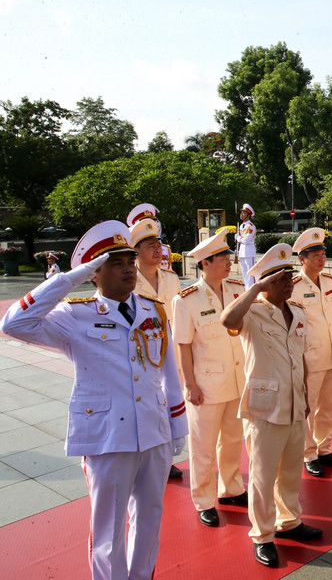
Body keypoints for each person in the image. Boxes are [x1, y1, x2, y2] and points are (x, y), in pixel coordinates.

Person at [1, 220, 187, 580]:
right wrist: (69, 278)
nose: (129, 269)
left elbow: (169, 372)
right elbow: (14, 323)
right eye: (116, 264)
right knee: (108, 531)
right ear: (94, 273)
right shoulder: (76, 315)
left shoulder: (154, 310)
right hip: (107, 438)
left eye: (130, 261)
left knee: (149, 517)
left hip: (153, 430)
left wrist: (177, 425)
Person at [221, 243, 323, 567]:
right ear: (265, 282)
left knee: (291, 469)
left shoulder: (298, 311)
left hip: (294, 402)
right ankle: (263, 535)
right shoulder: (251, 311)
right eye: (280, 279)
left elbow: (300, 356)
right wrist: (255, 290)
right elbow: (227, 319)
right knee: (263, 476)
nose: (289, 282)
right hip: (265, 406)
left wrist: (306, 395)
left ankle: (289, 521)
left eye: (290, 276)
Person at [170, 229, 247, 528]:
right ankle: (204, 499)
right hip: (206, 384)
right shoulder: (185, 300)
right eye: (223, 258)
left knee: (231, 440)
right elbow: (183, 344)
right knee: (203, 447)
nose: (229, 262)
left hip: (236, 380)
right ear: (205, 263)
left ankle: (231, 489)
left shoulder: (238, 289)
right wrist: (190, 384)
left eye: (229, 256)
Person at [291, 228, 332, 478]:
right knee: (308, 405)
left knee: (327, 404)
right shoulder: (293, 286)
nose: (321, 258)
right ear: (302, 258)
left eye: (323, 253)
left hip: (330, 353)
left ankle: (324, 448)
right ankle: (308, 453)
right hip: (308, 356)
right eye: (315, 254)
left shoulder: (328, 282)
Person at [129, 214, 185, 480]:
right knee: (146, 404)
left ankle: (165, 456)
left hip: (169, 350)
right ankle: (144, 457)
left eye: (158, 244)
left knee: (169, 402)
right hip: (141, 353)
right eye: (150, 246)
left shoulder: (170, 278)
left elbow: (177, 316)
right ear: (136, 253)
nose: (157, 250)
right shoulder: (129, 281)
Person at [237, 203, 257, 288]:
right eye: (241, 213)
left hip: (249, 251)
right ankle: (247, 289)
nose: (242, 215)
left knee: (250, 273)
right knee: (244, 273)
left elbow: (246, 240)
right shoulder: (241, 226)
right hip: (242, 252)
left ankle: (253, 291)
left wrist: (238, 238)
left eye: (244, 213)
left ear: (248, 215)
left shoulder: (251, 226)